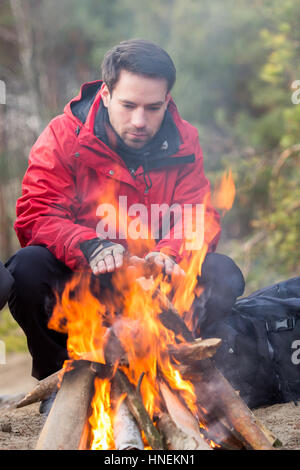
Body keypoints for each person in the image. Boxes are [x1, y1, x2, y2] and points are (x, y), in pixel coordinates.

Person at [5, 40, 245, 404]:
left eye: (153, 108)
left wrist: (171, 254)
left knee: (222, 272)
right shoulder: (64, 136)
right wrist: (88, 244)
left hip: (153, 295)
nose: (139, 121)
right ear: (105, 93)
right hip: (86, 288)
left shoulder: (183, 141)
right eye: (128, 105)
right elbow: (37, 212)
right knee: (26, 268)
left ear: (167, 100)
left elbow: (198, 215)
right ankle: (65, 380)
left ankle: (167, 368)